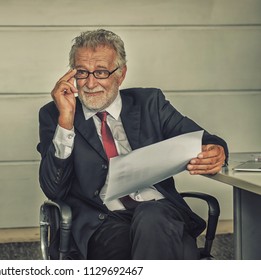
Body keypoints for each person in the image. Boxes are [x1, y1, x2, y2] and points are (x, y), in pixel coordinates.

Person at [37, 29, 228, 260]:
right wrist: (66, 122)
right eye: (81, 72)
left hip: (160, 212)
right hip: (103, 222)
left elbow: (203, 139)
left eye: (101, 72)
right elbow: (53, 189)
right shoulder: (55, 113)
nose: (89, 83)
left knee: (152, 216)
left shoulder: (150, 103)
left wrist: (217, 150)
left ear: (121, 74)